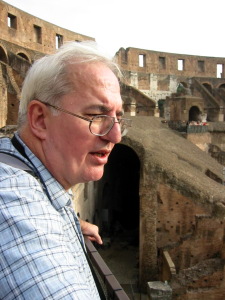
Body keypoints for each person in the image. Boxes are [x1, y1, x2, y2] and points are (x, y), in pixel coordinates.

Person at [0, 41, 132, 299]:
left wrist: (67, 222)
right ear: (40, 119)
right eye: (96, 116)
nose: (115, 136)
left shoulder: (19, 163)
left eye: (117, 117)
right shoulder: (13, 207)